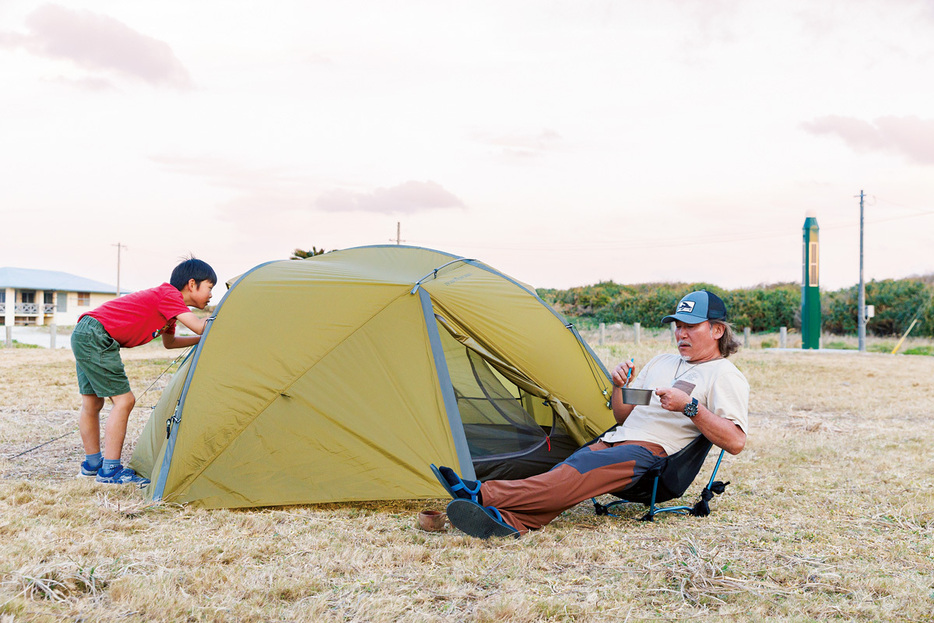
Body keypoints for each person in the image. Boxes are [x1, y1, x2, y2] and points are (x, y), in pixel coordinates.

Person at [431, 290, 750, 538]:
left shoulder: (724, 375)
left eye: (691, 327)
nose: (681, 334)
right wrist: (617, 386)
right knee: (566, 476)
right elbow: (624, 416)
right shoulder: (661, 362)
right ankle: (513, 521)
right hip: (619, 438)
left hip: (653, 458)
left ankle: (481, 493)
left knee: (572, 475)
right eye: (678, 326)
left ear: (718, 330)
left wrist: (689, 407)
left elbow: (735, 442)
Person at [71, 257, 217, 485]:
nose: (211, 295)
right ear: (192, 284)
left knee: (92, 403)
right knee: (124, 401)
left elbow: (170, 343)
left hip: (86, 331)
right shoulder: (169, 296)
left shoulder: (169, 307)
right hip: (97, 334)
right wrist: (224, 319)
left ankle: (92, 466)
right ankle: (109, 472)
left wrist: (202, 340)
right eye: (209, 287)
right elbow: (200, 325)